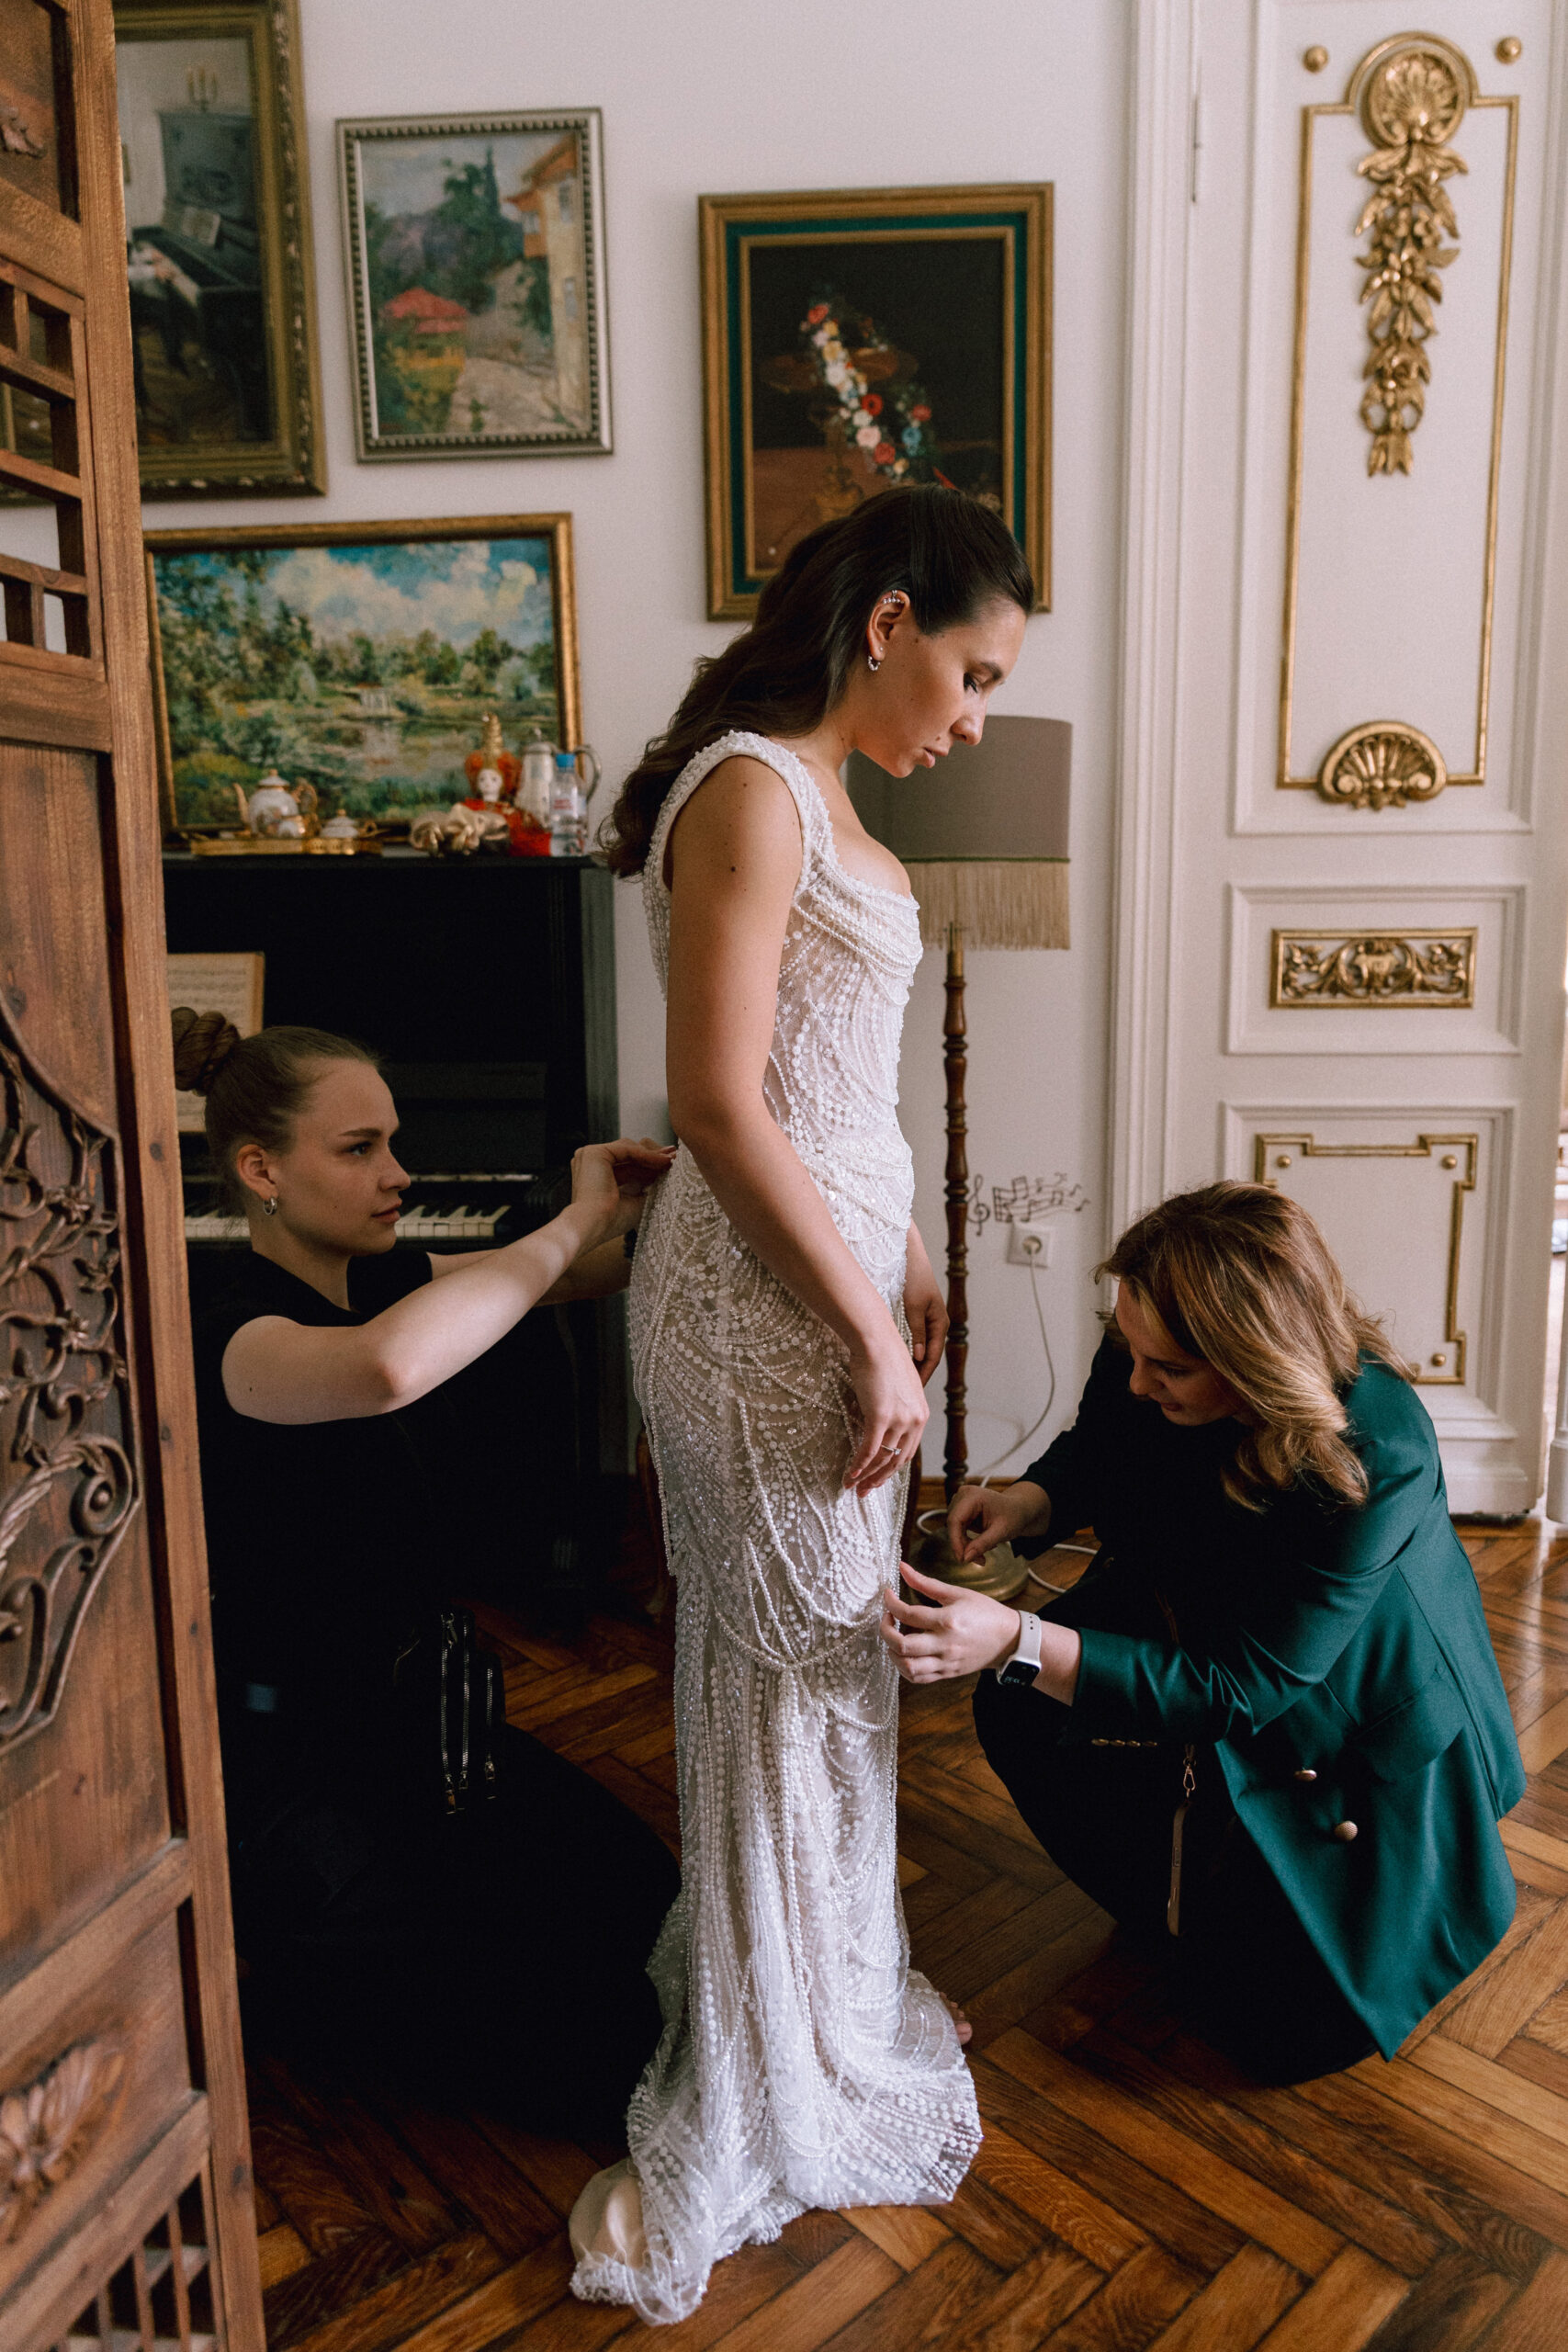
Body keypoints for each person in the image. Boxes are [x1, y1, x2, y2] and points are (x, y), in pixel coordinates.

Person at [564, 487, 1032, 2323]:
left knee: (829, 1672)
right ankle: (768, 2055)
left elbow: (825, 1079)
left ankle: (821, 1996)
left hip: (828, 1290)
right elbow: (714, 1101)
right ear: (889, 620)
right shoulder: (753, 789)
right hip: (756, 1317)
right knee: (782, 1671)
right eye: (973, 673)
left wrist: (899, 1240)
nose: (976, 719)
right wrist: (868, 1333)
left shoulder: (828, 799)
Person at [879, 1182, 1526, 2083]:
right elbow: (1103, 1441)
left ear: (1255, 1358)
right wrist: (1032, 1499)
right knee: (1020, 1709)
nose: (1138, 1380)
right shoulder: (1149, 1338)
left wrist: (1016, 1637)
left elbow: (1241, 1687)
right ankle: (1173, 1903)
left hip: (1333, 1712)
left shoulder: (1378, 1447)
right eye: (1131, 1352)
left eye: (1169, 1370)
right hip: (1189, 1608)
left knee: (1280, 2040)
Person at [172, 1010, 682, 2133]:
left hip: (416, 1721)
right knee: (593, 2040)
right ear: (261, 1170)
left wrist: (679, 1194)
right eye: (360, 1149)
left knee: (648, 1901)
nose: (399, 1173)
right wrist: (573, 1218)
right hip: (296, 1764)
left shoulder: (381, 1275)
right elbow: (389, 1369)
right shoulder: (232, 1329)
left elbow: (583, 1273)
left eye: (394, 1143)